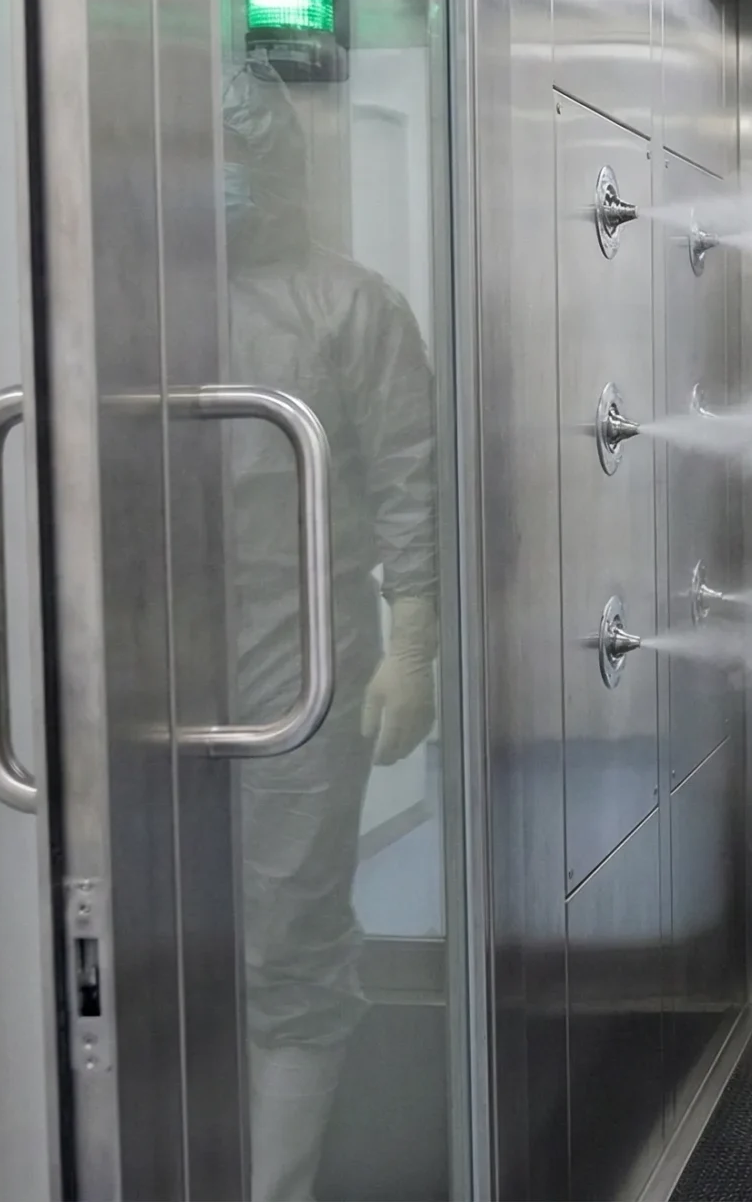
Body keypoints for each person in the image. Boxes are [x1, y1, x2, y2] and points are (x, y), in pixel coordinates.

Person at [222, 60, 440, 1200]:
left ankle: (277, 1184)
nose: (215, 177)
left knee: (287, 929)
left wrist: (413, 649)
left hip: (301, 654)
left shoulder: (350, 306)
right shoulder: (120, 293)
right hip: (147, 654)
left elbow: (413, 485)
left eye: (236, 154)